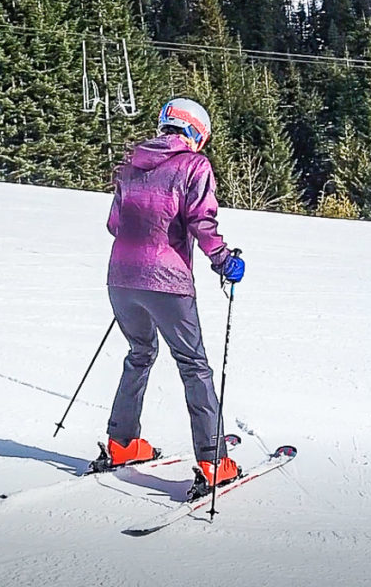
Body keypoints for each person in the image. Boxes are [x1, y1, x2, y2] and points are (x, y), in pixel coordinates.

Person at [98, 97, 245, 491]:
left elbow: (115, 224)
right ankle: (214, 461)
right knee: (194, 366)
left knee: (139, 354)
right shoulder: (194, 165)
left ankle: (121, 443)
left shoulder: (130, 165)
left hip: (121, 279)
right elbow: (202, 221)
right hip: (167, 281)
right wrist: (224, 261)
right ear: (195, 132)